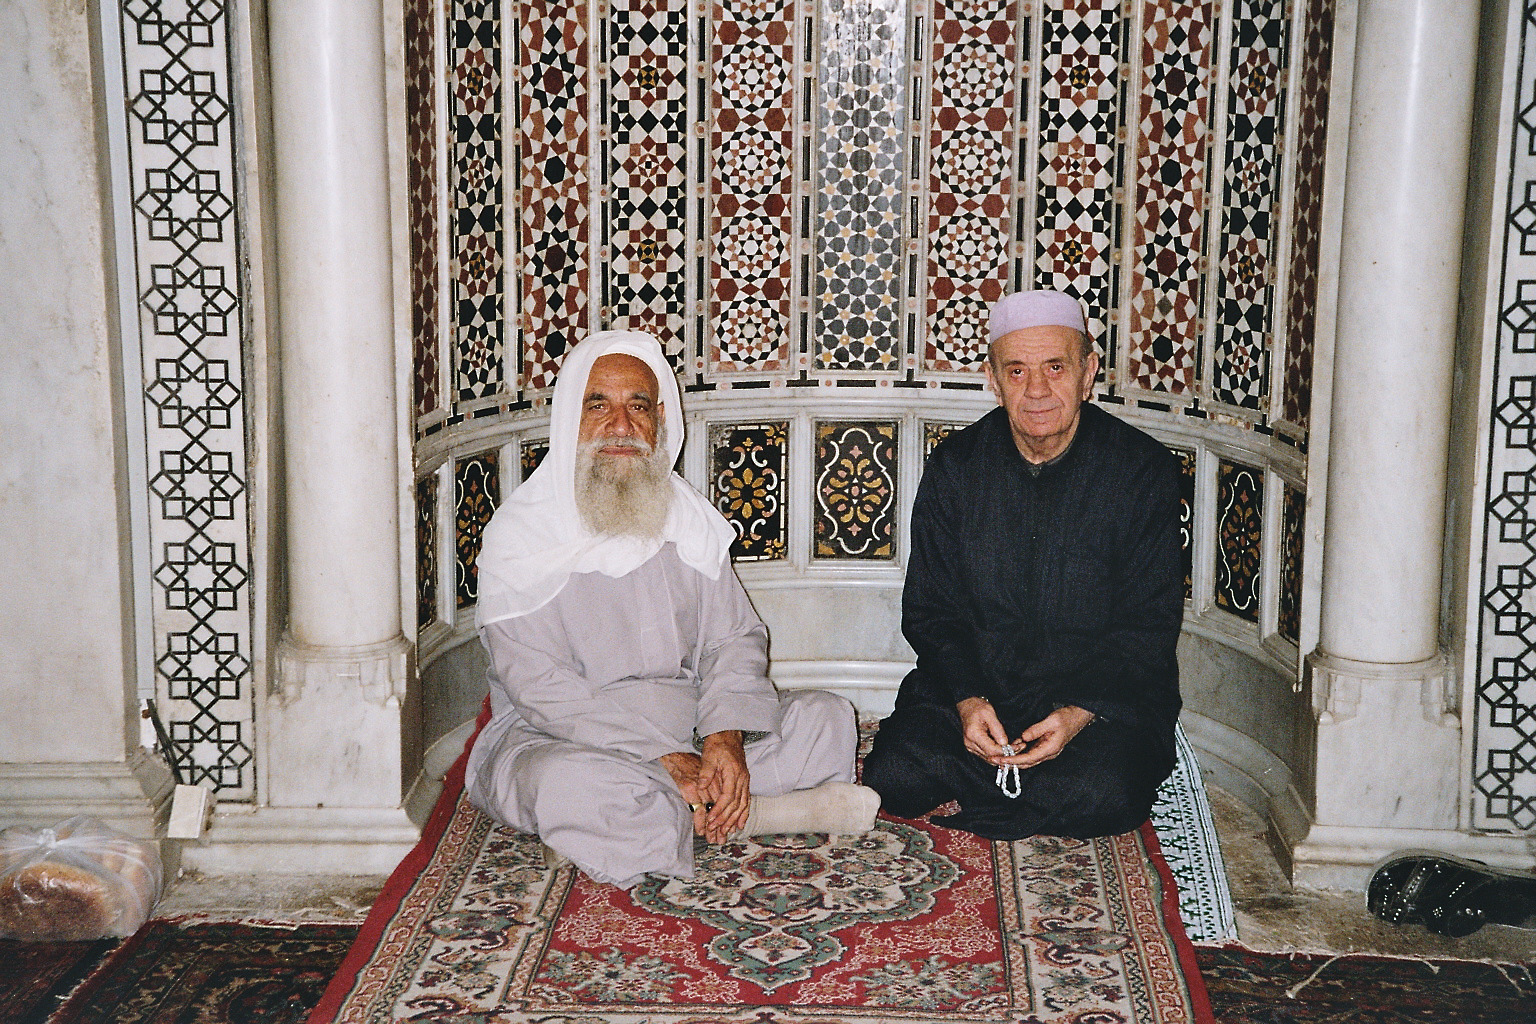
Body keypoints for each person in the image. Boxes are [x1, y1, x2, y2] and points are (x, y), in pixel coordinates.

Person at [465, 330, 879, 888]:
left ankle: (646, 820)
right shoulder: (521, 536)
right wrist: (660, 755)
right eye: (599, 406)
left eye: (638, 406)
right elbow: (541, 689)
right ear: (570, 419)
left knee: (826, 717)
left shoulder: (686, 518)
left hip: (687, 720)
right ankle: (758, 814)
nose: (621, 426)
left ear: (660, 417)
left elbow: (733, 639)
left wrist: (724, 737)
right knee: (565, 784)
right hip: (569, 735)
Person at [862, 290, 1184, 840]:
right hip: (980, 694)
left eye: (1055, 368)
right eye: (1016, 371)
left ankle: (1002, 794)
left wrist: (1077, 713)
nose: (1037, 391)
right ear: (993, 379)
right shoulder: (957, 468)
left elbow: (1146, 626)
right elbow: (928, 610)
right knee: (893, 775)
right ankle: (1024, 796)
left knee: (1109, 792)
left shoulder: (1142, 472)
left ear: (1088, 373)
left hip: (1095, 704)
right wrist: (967, 700)